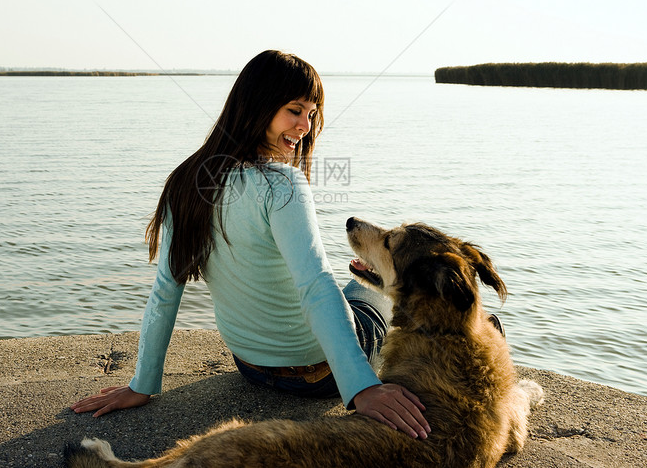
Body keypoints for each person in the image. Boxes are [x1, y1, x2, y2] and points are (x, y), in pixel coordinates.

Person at [71, 50, 431, 439]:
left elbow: (164, 291)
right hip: (317, 375)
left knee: (356, 282)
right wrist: (363, 387)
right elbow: (315, 286)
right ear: (259, 105)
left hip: (251, 366)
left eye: (311, 114)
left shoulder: (186, 180)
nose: (305, 127)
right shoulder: (283, 183)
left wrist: (143, 384)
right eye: (295, 110)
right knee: (374, 291)